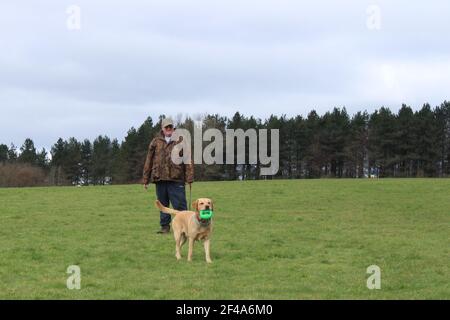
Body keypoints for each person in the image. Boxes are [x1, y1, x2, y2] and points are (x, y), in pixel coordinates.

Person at [143, 118, 194, 234]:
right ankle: (165, 227)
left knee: (180, 205)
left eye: (170, 127)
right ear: (162, 128)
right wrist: (145, 179)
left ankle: (185, 227)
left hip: (176, 179)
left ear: (173, 128)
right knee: (163, 205)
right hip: (160, 178)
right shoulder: (155, 141)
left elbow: (188, 159)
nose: (169, 129)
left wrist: (190, 178)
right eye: (166, 127)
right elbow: (148, 160)